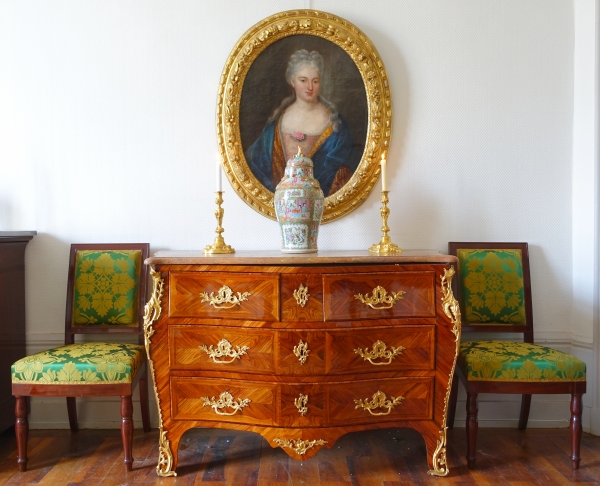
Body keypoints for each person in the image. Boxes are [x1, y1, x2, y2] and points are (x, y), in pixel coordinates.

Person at [245, 49, 360, 197]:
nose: (310, 87)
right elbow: (254, 163)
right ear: (292, 81)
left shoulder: (336, 125)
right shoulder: (277, 123)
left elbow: (347, 168)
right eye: (303, 80)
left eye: (315, 81)